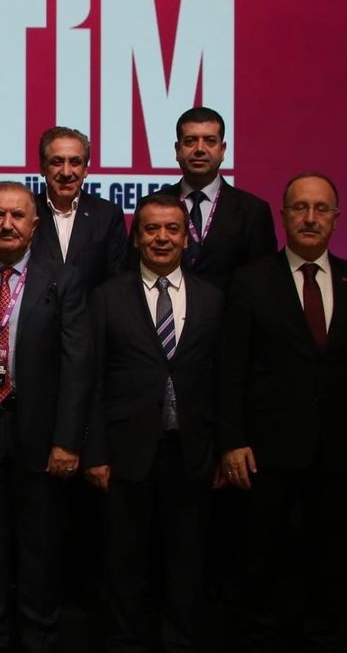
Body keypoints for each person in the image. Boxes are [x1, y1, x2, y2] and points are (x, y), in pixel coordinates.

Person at [218, 174, 347, 652]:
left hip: (340, 454)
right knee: (260, 564)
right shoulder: (250, 281)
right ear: (284, 215)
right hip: (263, 454)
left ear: (336, 217)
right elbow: (230, 369)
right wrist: (232, 440)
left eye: (321, 209)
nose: (310, 218)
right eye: (299, 208)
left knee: (329, 564)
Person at [0, 182, 89, 652]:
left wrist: (67, 440)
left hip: (41, 434)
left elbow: (77, 365)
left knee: (39, 549)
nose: (7, 224)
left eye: (17, 216)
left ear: (34, 225)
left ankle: (38, 641)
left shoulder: (63, 280)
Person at [83, 193, 224, 652]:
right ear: (136, 238)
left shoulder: (213, 299)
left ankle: (180, 644)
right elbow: (92, 380)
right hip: (125, 454)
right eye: (151, 229)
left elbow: (223, 380)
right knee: (123, 566)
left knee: (187, 565)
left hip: (192, 453)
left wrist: (223, 448)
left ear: (186, 238)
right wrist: (94, 452)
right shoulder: (107, 297)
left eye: (172, 229)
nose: (162, 238)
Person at [160, 106, 275, 292]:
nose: (200, 149)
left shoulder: (252, 211)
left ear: (222, 150)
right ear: (177, 149)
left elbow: (264, 281)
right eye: (190, 141)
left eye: (210, 141)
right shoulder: (152, 205)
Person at [32, 126, 126, 290]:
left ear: (85, 169)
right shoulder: (25, 213)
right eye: (57, 162)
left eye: (75, 162)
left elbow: (117, 281)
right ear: (42, 168)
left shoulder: (108, 215)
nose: (66, 172)